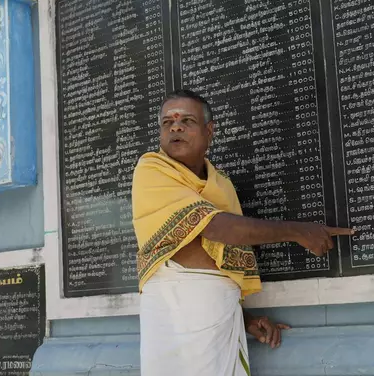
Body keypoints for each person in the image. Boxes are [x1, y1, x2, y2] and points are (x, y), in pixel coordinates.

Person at [132, 90, 354, 375]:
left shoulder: (221, 183)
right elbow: (216, 227)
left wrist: (245, 318)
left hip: (223, 312)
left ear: (209, 131)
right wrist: (298, 231)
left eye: (187, 120)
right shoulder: (151, 168)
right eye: (167, 122)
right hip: (176, 312)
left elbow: (221, 263)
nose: (175, 127)